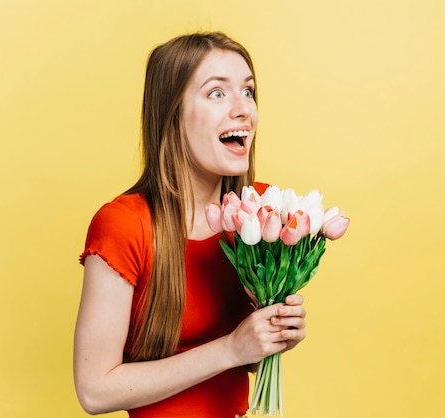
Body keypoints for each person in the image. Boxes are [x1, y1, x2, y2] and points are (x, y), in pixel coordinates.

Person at [73, 31, 307, 418]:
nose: (243, 109)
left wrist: (274, 333)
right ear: (172, 113)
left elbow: (245, 361)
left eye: (248, 92)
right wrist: (233, 347)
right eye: (218, 93)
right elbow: (94, 391)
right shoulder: (125, 225)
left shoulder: (259, 210)